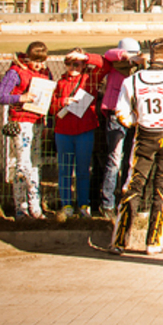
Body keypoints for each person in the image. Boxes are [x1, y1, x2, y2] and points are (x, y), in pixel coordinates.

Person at [109, 43, 163, 255]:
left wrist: (136, 121)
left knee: (133, 185)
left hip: (143, 135)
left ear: (150, 58)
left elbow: (121, 111)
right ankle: (154, 241)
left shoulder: (132, 80)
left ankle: (120, 240)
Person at [0, 41, 53, 220]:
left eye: (42, 62)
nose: (39, 66)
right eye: (36, 61)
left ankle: (35, 207)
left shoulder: (44, 73)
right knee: (23, 164)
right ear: (28, 58)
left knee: (35, 164)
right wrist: (21, 98)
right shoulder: (16, 72)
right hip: (21, 122)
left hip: (38, 121)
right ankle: (21, 207)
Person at [50, 49, 107, 219]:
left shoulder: (91, 78)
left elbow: (105, 64)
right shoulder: (60, 83)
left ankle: (84, 204)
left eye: (77, 64)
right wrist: (62, 102)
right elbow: (51, 107)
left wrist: (87, 57)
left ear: (84, 64)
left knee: (83, 170)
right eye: (69, 63)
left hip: (84, 131)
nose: (72, 67)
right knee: (65, 170)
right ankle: (66, 203)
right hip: (63, 131)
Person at [97, 38, 143, 217]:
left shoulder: (138, 70)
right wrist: (127, 57)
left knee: (130, 160)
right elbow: (108, 55)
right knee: (115, 159)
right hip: (116, 115)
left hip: (133, 116)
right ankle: (108, 203)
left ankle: (124, 201)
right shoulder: (113, 65)